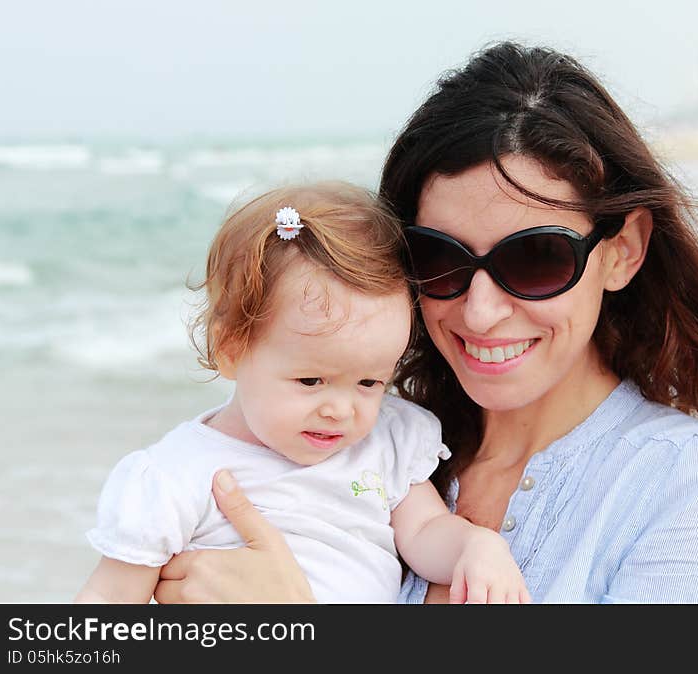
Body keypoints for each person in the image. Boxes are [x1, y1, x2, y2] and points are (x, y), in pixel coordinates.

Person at [152, 42, 698, 604]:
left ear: (622, 250)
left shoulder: (693, 484)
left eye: (535, 258)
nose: (481, 312)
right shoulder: (376, 448)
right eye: (439, 258)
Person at [76, 181, 530, 604]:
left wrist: (476, 545)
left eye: (370, 382)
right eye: (311, 381)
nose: (340, 409)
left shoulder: (386, 443)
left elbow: (426, 531)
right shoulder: (176, 476)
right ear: (230, 349)